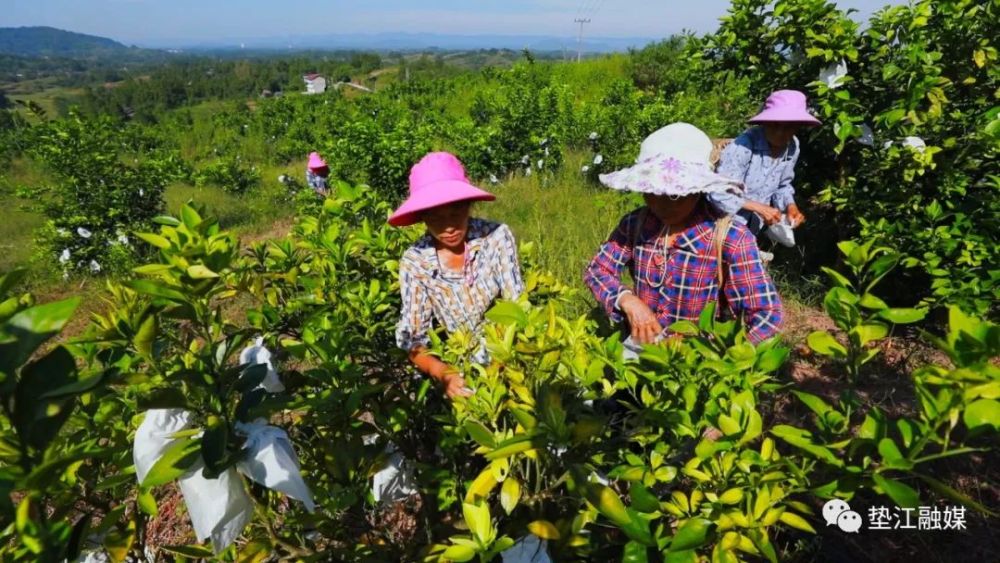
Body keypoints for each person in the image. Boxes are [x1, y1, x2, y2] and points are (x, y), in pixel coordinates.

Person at [584, 123, 783, 357]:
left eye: (675, 195)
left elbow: (767, 314)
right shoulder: (637, 224)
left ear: (698, 190)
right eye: (652, 192)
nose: (660, 205)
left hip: (697, 363)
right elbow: (598, 270)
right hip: (641, 349)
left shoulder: (729, 237)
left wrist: (727, 361)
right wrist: (627, 300)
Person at [390, 152, 524, 399]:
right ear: (422, 217)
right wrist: (446, 374)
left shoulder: (495, 237)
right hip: (462, 367)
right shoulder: (416, 261)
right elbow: (413, 339)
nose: (448, 226)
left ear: (468, 205)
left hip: (508, 353)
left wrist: (499, 366)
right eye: (435, 217)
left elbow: (517, 306)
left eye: (456, 212)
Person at [708, 90, 821, 238]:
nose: (780, 132)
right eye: (775, 125)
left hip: (750, 230)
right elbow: (717, 191)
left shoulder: (792, 146)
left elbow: (782, 186)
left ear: (798, 127)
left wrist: (790, 206)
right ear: (765, 123)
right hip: (718, 227)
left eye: (789, 126)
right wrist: (757, 207)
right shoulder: (744, 146)